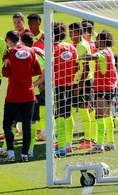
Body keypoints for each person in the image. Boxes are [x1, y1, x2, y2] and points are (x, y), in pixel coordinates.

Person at [0, 30, 42, 163]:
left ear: (8, 40)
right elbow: (37, 70)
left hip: (13, 94)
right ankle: (25, 154)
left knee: (8, 123)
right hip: (29, 94)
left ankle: (11, 153)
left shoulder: (9, 52)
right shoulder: (31, 51)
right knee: (27, 125)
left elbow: (5, 72)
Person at [79, 30, 117, 153]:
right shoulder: (109, 52)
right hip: (110, 88)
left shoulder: (102, 53)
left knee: (99, 117)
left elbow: (93, 56)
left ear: (102, 41)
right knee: (107, 117)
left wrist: (78, 57)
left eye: (97, 40)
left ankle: (99, 145)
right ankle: (110, 143)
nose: (95, 42)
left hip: (103, 89)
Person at [53, 22, 78, 156]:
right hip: (70, 84)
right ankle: (68, 144)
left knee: (59, 116)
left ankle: (61, 146)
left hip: (57, 86)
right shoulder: (71, 48)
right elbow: (77, 66)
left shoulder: (52, 48)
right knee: (68, 114)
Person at [69, 22, 93, 150]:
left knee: (83, 111)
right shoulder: (80, 44)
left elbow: (86, 68)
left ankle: (88, 140)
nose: (69, 34)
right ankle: (68, 140)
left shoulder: (81, 46)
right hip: (78, 82)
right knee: (72, 110)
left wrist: (79, 85)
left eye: (71, 32)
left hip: (83, 83)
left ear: (77, 32)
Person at [21, 32, 45, 157]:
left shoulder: (21, 56)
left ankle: (7, 149)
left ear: (23, 42)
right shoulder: (39, 55)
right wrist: (33, 85)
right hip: (34, 93)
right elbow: (43, 76)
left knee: (15, 121)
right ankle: (30, 149)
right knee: (33, 121)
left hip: (21, 93)